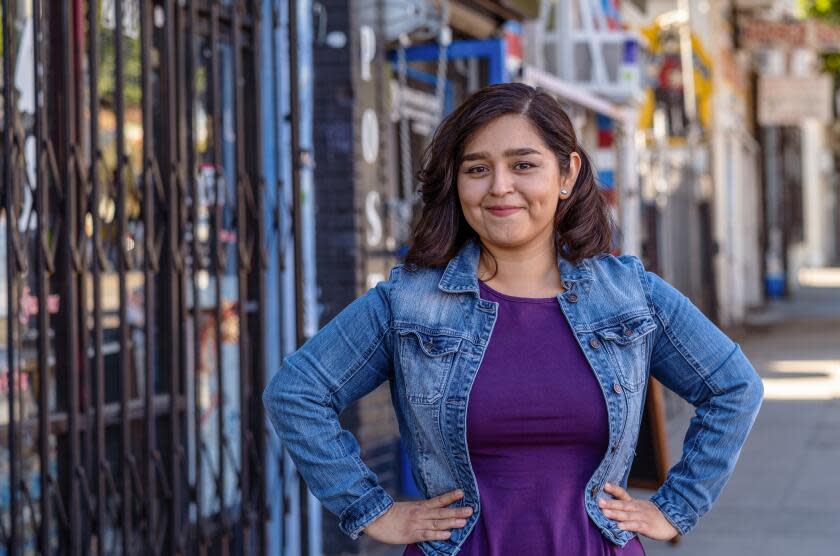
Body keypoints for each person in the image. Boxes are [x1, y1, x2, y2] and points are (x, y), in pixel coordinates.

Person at [262, 82, 764, 556]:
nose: (500, 187)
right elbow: (296, 393)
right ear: (457, 183)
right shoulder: (409, 303)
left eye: (523, 165)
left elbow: (733, 387)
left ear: (566, 175)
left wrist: (675, 508)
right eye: (477, 169)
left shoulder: (629, 295)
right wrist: (372, 510)